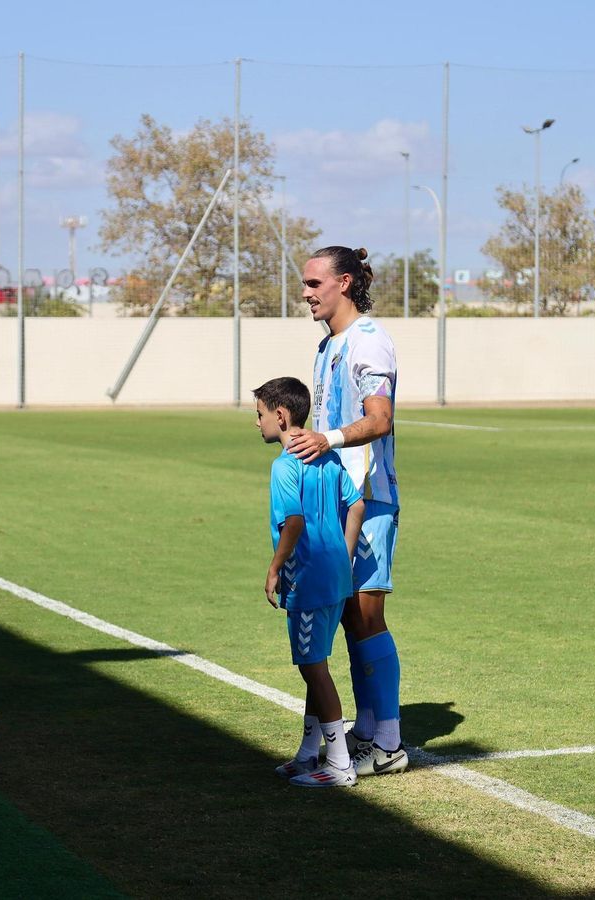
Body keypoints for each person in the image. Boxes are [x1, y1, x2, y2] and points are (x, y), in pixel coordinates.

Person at [285, 246, 406, 776]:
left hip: (370, 496)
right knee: (345, 614)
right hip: (336, 501)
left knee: (366, 614)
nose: (307, 293)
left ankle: (389, 740)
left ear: (346, 283)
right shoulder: (327, 345)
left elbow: (380, 419)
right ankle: (364, 730)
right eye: (305, 284)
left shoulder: (369, 343)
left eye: (315, 283)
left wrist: (326, 438)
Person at [255, 377, 366, 788]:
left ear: (281, 416)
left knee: (313, 667)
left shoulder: (284, 466)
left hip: (309, 580)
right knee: (313, 662)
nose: (258, 422)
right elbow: (356, 505)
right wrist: (346, 553)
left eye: (261, 414)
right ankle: (308, 754)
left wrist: (273, 568)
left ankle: (339, 763)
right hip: (336, 576)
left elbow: (294, 523)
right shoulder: (328, 459)